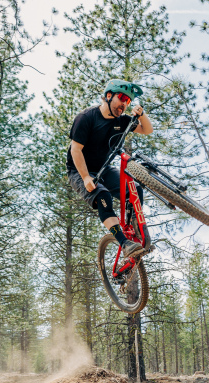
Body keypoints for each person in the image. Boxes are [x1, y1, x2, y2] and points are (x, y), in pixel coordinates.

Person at [66, 79, 153, 258]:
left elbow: (147, 130)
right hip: (80, 171)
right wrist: (85, 177)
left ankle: (136, 231)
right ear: (108, 96)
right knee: (103, 195)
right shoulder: (87, 117)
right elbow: (76, 150)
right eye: (121, 98)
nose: (124, 104)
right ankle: (124, 243)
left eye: (128, 101)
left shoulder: (122, 121)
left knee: (135, 190)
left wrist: (141, 114)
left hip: (103, 169)